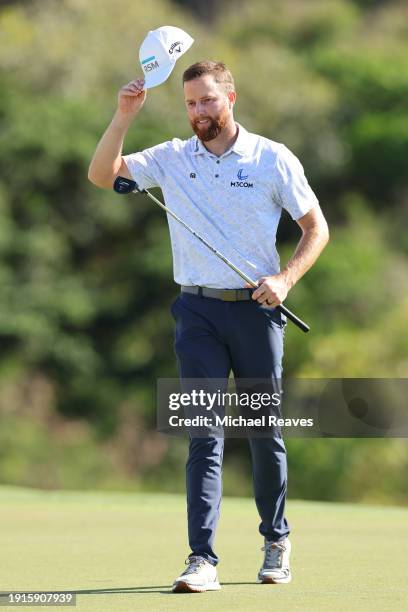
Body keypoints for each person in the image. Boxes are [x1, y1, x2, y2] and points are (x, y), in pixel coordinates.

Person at [88, 60, 329, 593]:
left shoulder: (272, 158)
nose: (199, 112)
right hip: (195, 311)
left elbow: (316, 227)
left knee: (264, 432)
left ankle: (276, 540)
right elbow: (103, 175)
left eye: (207, 101)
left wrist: (286, 279)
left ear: (231, 98)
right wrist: (123, 117)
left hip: (257, 311)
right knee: (204, 433)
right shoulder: (172, 158)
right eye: (191, 103)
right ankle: (202, 559)